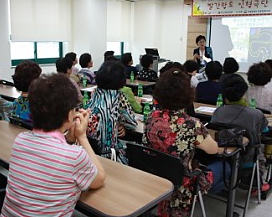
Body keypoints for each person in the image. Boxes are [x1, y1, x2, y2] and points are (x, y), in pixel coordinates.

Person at [1, 73, 105, 216]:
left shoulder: (20, 139)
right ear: (70, 115)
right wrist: (82, 137)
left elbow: (50, 149)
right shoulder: (74, 156)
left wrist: (69, 138)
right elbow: (99, 179)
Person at [143, 68, 228, 217]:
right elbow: (213, 150)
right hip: (182, 184)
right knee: (225, 165)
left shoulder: (152, 116)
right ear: (188, 94)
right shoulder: (191, 124)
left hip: (155, 175)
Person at [211, 74, 269, 192]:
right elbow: (264, 131)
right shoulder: (256, 114)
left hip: (223, 157)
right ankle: (256, 183)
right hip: (247, 160)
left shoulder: (219, 111)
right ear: (244, 93)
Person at [86, 61, 137, 164]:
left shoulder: (94, 93)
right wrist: (121, 123)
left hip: (89, 150)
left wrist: (118, 123)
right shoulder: (118, 97)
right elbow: (132, 123)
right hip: (109, 154)